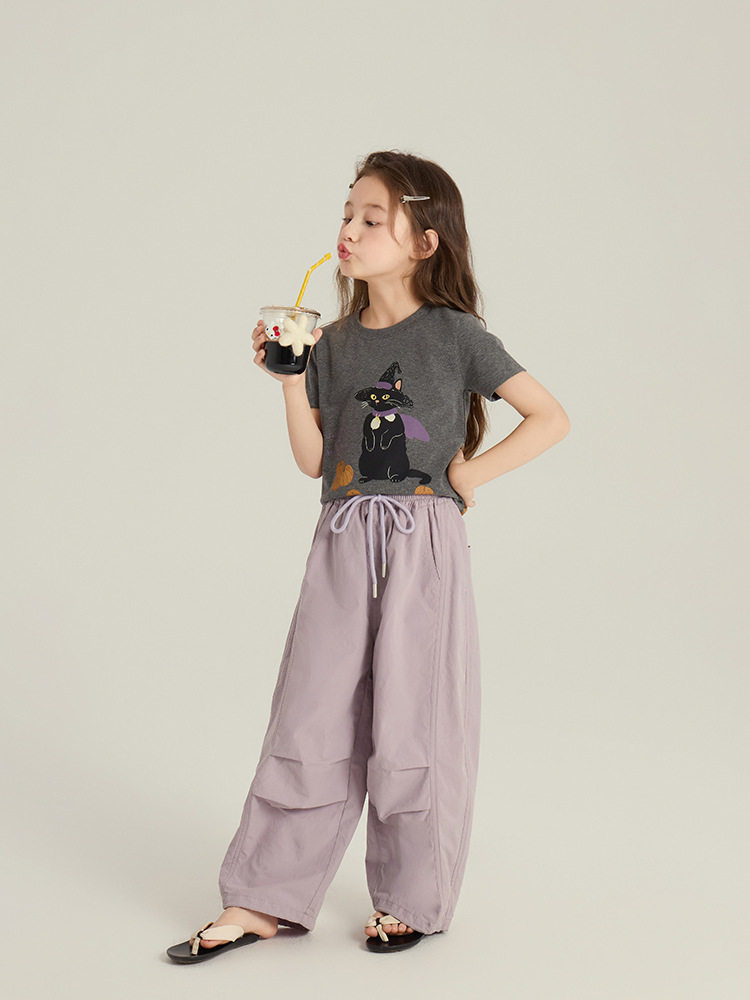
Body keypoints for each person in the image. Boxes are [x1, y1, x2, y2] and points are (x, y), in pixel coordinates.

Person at [167, 149, 570, 963]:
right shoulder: (333, 342)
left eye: (371, 218)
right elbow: (315, 462)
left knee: (415, 718)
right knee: (309, 712)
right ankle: (263, 898)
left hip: (424, 542)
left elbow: (549, 417)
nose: (348, 231)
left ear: (424, 242)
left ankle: (410, 898)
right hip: (344, 536)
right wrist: (290, 381)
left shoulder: (456, 335)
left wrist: (465, 476)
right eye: (346, 214)